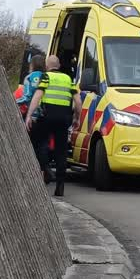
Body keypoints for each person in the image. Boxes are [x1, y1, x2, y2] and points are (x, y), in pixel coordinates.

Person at [25, 55, 82, 196]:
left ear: (47, 65)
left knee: (38, 143)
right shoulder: (68, 79)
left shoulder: (46, 77)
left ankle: (46, 169)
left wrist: (29, 115)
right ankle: (60, 186)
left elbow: (38, 96)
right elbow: (78, 101)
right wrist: (77, 118)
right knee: (61, 151)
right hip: (64, 119)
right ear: (59, 65)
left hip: (47, 117)